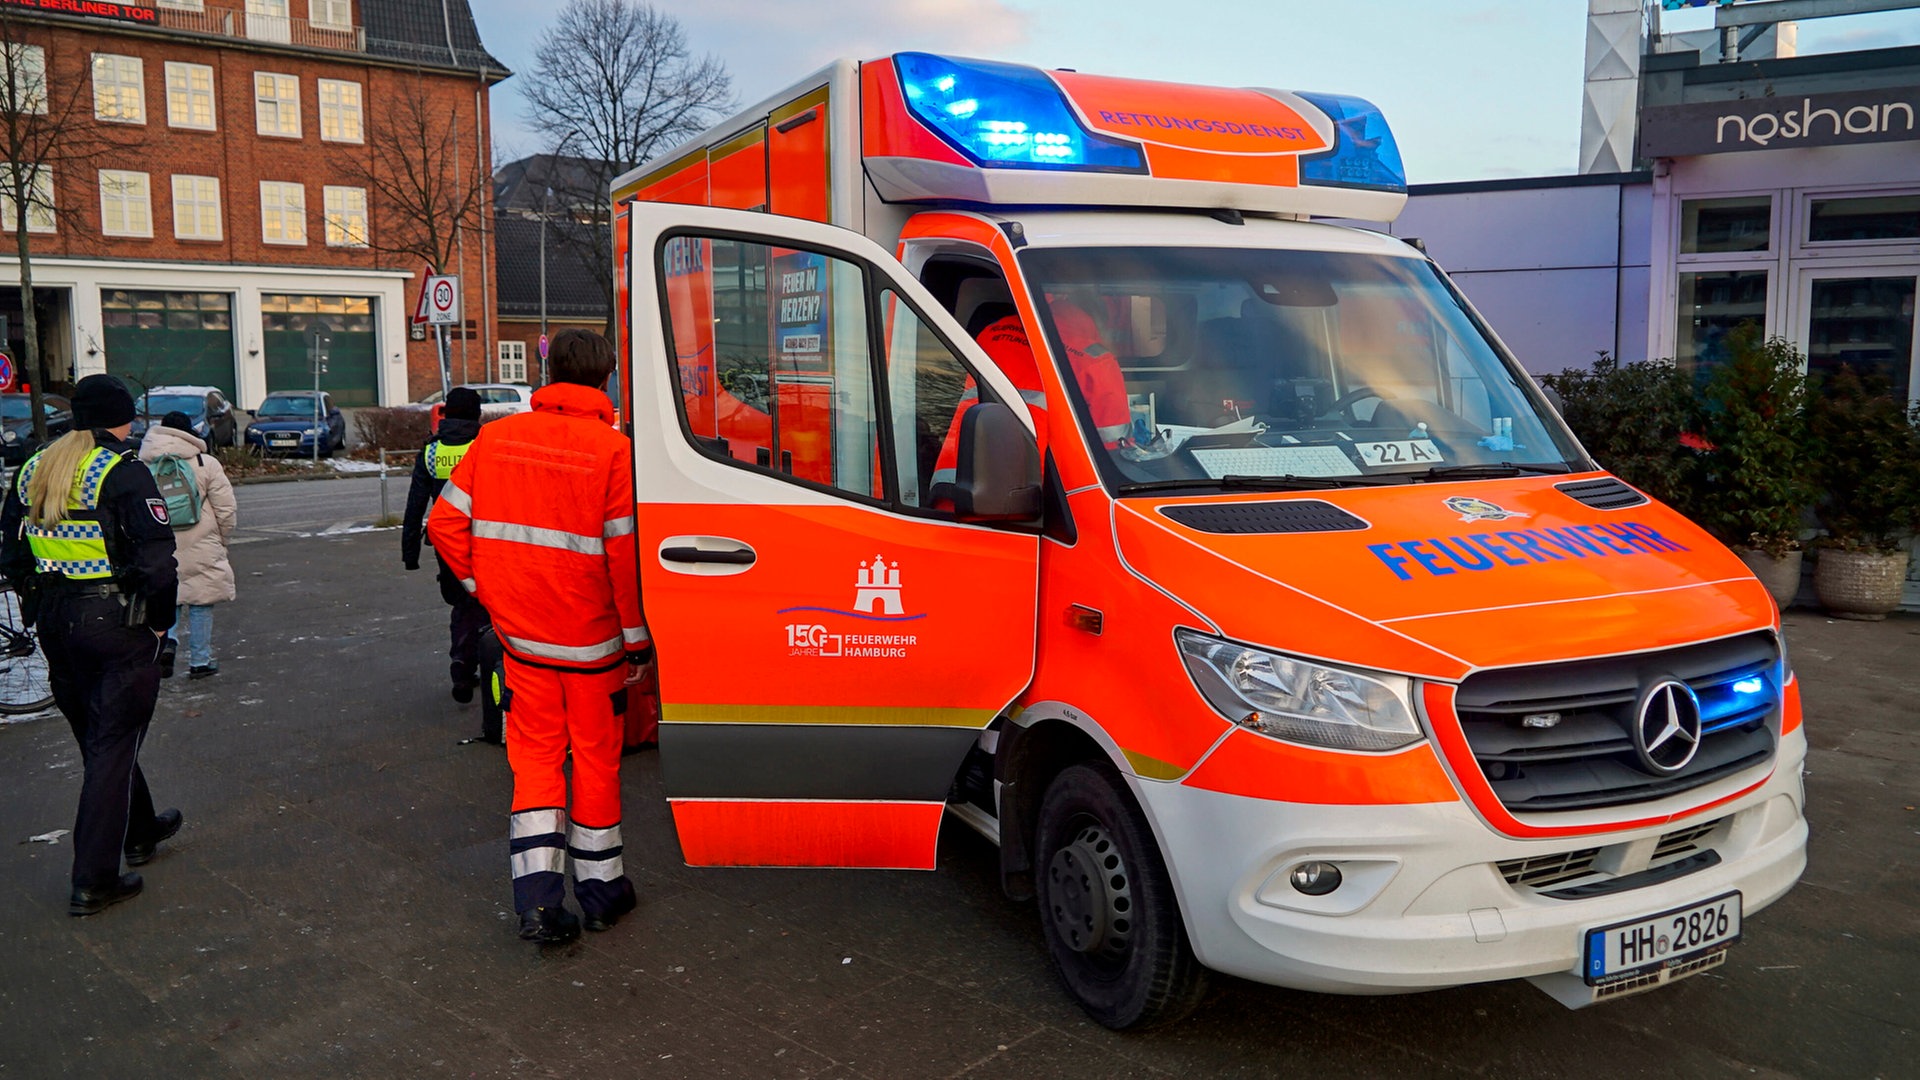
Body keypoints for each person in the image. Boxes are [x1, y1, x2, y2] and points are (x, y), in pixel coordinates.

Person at [428, 330, 650, 945]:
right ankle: (603, 894)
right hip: (593, 650)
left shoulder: (495, 439)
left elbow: (445, 522)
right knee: (598, 767)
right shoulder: (614, 451)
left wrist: (486, 589)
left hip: (523, 642)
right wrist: (636, 644)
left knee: (535, 767)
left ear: (548, 371)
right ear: (605, 379)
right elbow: (622, 557)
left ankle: (539, 905)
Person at [0, 374, 181, 916]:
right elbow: (157, 562)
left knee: (104, 736)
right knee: (111, 741)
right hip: (116, 624)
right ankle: (94, 879)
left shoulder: (36, 467)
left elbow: (11, 554)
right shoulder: (123, 471)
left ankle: (140, 828)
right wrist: (159, 626)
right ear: (120, 417)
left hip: (57, 624)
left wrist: (38, 609)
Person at [401, 387, 488, 702]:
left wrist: (410, 553)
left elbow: (415, 506)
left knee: (462, 606)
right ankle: (495, 669)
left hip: (447, 545)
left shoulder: (431, 452)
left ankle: (462, 668)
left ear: (447, 414)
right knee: (489, 606)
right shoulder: (484, 445)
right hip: (485, 540)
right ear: (477, 415)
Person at [141, 411, 236, 680]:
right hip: (203, 541)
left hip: (161, 544)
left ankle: (167, 645)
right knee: (201, 601)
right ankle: (200, 662)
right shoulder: (205, 463)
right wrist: (223, 538)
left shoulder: (143, 464)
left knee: (168, 597)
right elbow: (226, 509)